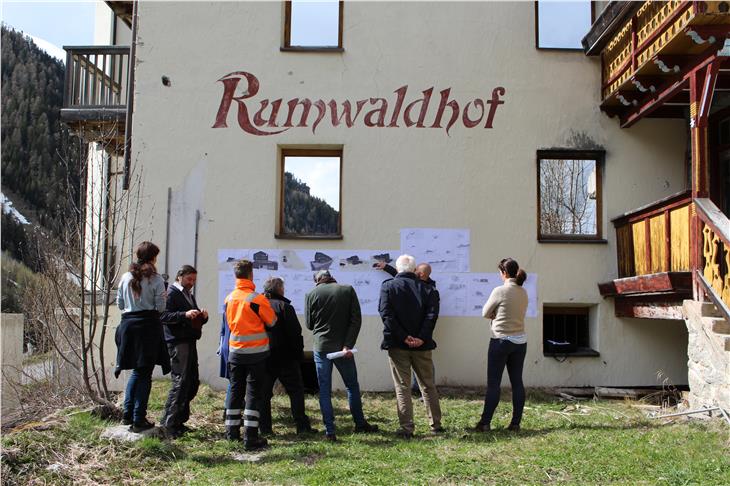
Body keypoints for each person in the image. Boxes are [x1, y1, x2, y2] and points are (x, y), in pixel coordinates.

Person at [305, 269, 378, 441]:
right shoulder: (347, 289)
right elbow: (356, 319)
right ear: (331, 277)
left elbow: (309, 324)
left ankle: (330, 431)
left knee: (324, 390)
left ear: (317, 280)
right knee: (351, 386)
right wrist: (348, 344)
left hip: (322, 347)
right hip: (343, 348)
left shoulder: (311, 293)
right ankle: (360, 423)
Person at [378, 254, 442, 439]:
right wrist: (421, 338)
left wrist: (404, 337)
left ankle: (407, 427)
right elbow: (432, 316)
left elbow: (386, 315)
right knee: (428, 385)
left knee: (402, 386)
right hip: (422, 346)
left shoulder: (388, 287)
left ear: (397, 269)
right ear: (414, 270)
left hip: (398, 344)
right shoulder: (429, 289)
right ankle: (435, 425)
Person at [115, 241, 171, 433]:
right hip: (147, 326)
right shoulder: (156, 279)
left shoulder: (125, 277)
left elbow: (120, 303)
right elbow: (161, 308)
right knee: (144, 373)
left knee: (135, 372)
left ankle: (127, 414)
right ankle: (139, 418)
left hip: (128, 325)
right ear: (153, 257)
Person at [223, 259, 277, 450]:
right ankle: (251, 437)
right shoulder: (257, 299)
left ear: (235, 275)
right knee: (253, 393)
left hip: (235, 352)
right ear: (251, 275)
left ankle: (231, 432)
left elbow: (229, 325)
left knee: (235, 390)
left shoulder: (229, 298)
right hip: (256, 353)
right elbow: (271, 322)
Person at [474, 258, 528, 433]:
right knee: (517, 383)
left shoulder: (500, 290)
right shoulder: (523, 292)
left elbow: (485, 312)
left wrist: (495, 315)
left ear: (504, 273)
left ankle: (485, 422)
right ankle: (515, 423)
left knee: (494, 384)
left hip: (501, 340)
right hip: (520, 341)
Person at [259, 276, 316, 435]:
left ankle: (265, 429)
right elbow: (295, 334)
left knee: (264, 394)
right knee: (296, 391)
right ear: (280, 289)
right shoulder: (285, 307)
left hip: (264, 356)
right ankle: (302, 426)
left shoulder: (258, 306)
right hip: (286, 357)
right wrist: (298, 356)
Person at [375, 261, 439, 396]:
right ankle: (421, 391)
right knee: (425, 375)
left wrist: (416, 338)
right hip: (419, 338)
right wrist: (388, 268)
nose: (413, 273)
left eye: (415, 271)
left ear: (421, 274)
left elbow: (402, 282)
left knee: (419, 377)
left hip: (413, 338)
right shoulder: (427, 286)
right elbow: (402, 279)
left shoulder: (427, 287)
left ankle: (419, 390)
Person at [159, 265, 208, 438]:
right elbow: (164, 316)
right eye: (189, 279)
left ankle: (179, 421)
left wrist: (203, 317)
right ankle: (168, 424)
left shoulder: (188, 294)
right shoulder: (171, 293)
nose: (192, 283)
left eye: (194, 280)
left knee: (192, 381)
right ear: (180, 276)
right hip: (177, 342)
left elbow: (189, 317)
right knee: (180, 382)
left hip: (189, 340)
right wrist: (184, 315)